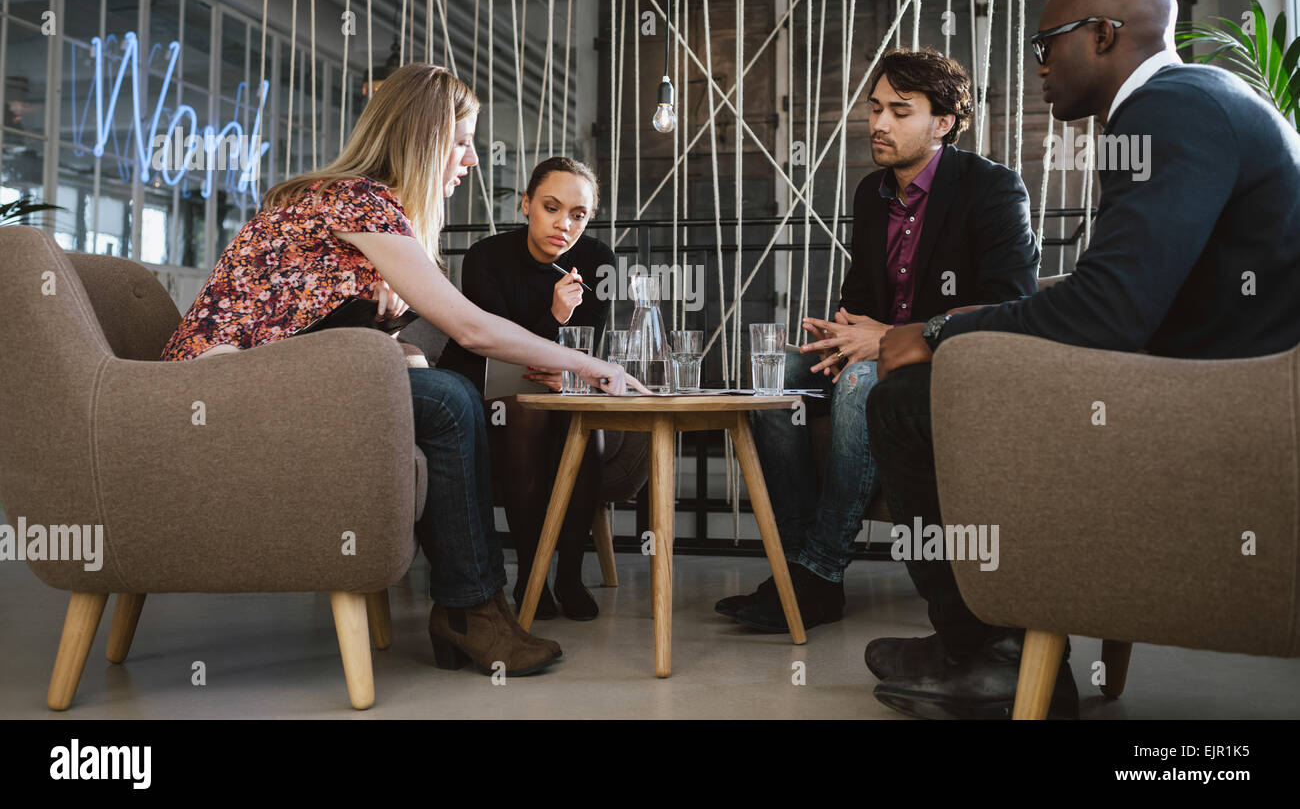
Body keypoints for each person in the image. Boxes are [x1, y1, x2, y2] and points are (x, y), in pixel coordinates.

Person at [865, 0, 1300, 719]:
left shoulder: (1169, 112)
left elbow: (1108, 314)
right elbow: (1128, 291)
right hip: (1219, 384)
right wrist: (957, 329)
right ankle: (980, 644)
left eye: (1045, 46)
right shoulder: (1199, 98)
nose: (1037, 68)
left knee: (908, 400)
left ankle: (993, 653)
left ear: (1102, 35)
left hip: (1216, 415)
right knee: (947, 373)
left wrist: (936, 332)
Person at [161, 63, 646, 679]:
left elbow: (344, 334)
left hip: (264, 381)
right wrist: (592, 365)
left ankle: (473, 607)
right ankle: (472, 608)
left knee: (440, 392)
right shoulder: (357, 201)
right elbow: (469, 327)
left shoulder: (365, 207)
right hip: (219, 394)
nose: (470, 159)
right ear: (422, 139)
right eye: (461, 141)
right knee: (448, 399)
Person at [717, 48, 1040, 633]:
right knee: (775, 372)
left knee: (866, 377)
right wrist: (840, 333)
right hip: (874, 350)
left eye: (900, 110)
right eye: (875, 109)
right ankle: (793, 562)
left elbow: (1009, 304)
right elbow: (861, 298)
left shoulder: (992, 189)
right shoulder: (872, 194)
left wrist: (885, 339)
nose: (880, 124)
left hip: (947, 362)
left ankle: (823, 571)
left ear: (943, 123)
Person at [438, 156, 615, 621]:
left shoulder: (597, 262)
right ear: (526, 205)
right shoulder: (485, 258)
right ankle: (531, 576)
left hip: (560, 387)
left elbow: (590, 349)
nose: (564, 224)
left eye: (578, 215)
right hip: (485, 388)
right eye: (551, 207)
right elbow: (497, 348)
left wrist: (571, 371)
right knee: (523, 411)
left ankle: (570, 576)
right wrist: (554, 319)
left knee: (585, 419)